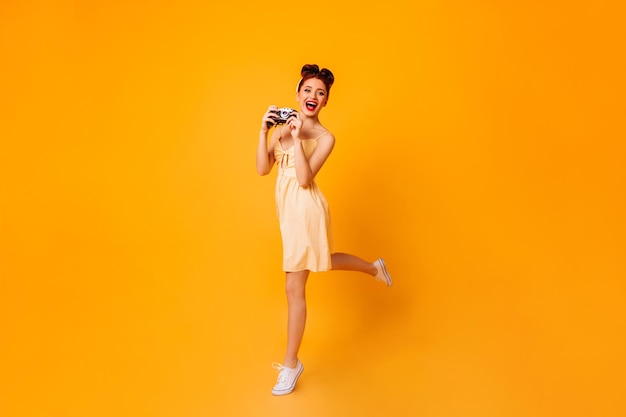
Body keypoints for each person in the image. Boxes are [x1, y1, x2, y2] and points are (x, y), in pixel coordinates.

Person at [256, 64, 393, 396]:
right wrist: (264, 131)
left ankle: (291, 365)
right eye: (307, 90)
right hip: (287, 212)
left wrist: (299, 135)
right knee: (323, 261)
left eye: (320, 92)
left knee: (294, 286)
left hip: (306, 210)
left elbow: (305, 179)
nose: (312, 96)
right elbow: (263, 169)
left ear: (326, 101)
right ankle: (372, 267)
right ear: (297, 93)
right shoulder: (281, 130)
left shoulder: (324, 137)